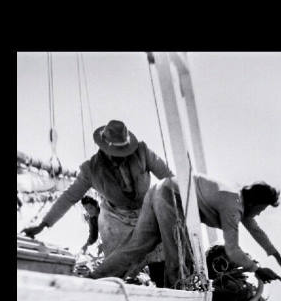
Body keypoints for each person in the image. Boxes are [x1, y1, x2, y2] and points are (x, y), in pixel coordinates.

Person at [22, 120, 172, 284]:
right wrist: (43, 224)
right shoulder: (90, 170)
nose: (122, 156)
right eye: (116, 151)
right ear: (104, 148)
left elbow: (169, 177)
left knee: (162, 260)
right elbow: (69, 197)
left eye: (124, 150)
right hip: (116, 219)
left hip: (146, 211)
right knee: (118, 268)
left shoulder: (143, 152)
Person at [88, 174, 281, 287]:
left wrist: (276, 256)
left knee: (138, 246)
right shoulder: (233, 206)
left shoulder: (238, 198)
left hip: (160, 187)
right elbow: (232, 250)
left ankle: (93, 279)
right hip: (172, 195)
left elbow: (256, 231)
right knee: (179, 255)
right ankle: (175, 300)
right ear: (255, 202)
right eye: (262, 209)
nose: (259, 214)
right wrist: (256, 270)